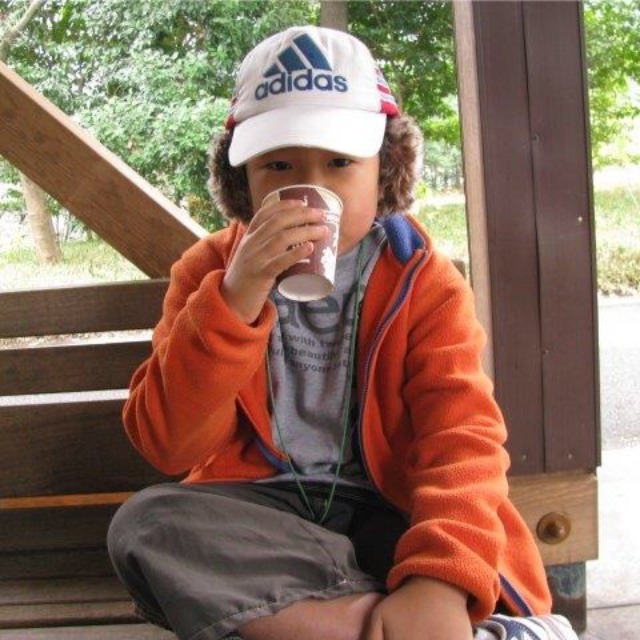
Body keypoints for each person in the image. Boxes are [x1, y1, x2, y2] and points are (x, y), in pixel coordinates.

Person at [108, 26, 577, 640]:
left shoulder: (423, 280)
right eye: (278, 165)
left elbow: (462, 439)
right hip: (268, 513)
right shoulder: (208, 275)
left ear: (386, 171)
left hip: (390, 507)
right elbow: (168, 446)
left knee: (444, 543)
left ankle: (358, 617)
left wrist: (437, 580)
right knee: (145, 526)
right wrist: (233, 302)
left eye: (339, 162)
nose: (313, 188)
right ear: (241, 180)